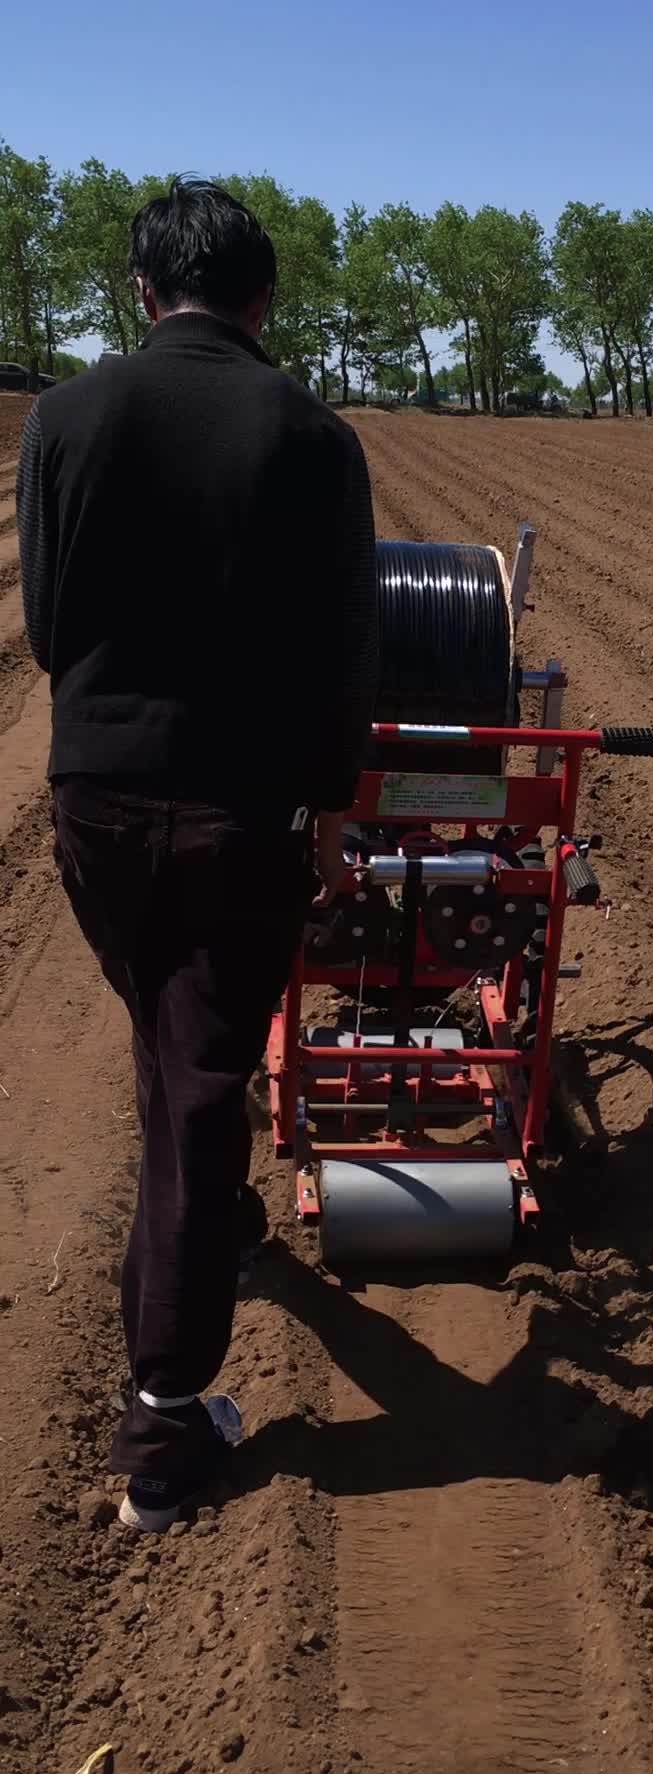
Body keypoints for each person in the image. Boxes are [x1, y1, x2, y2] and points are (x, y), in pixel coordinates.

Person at [16, 178, 377, 1531]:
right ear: (262, 297)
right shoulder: (313, 435)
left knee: (174, 1050)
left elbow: (52, 628)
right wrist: (332, 805)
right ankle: (166, 1426)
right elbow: (348, 652)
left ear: (140, 291)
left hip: (99, 805)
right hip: (245, 814)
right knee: (198, 1082)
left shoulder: (67, 416)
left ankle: (212, 1226)